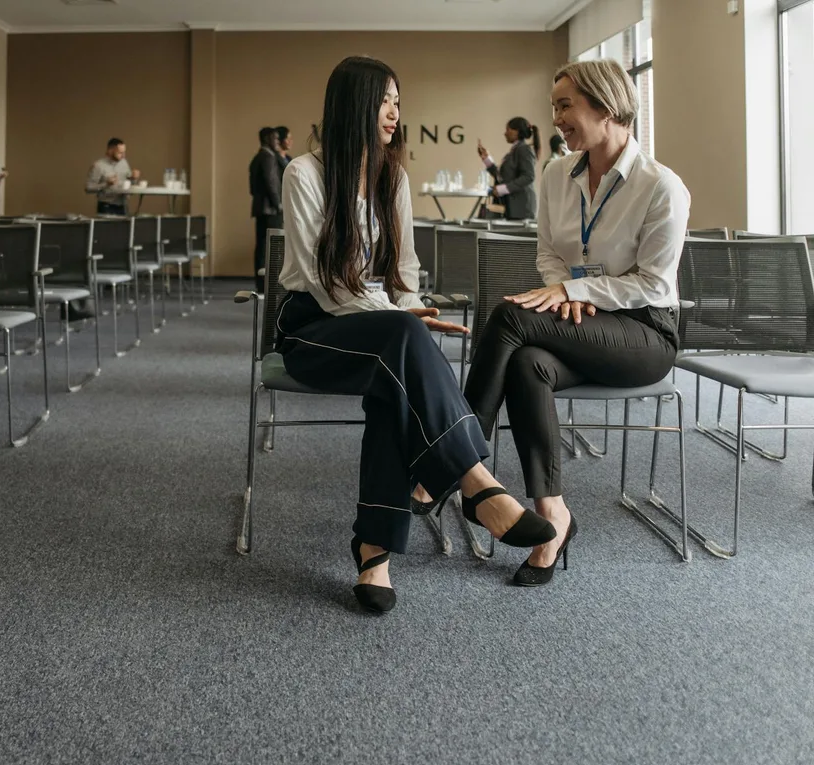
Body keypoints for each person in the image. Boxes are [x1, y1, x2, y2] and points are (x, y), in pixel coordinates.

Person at [276, 56, 558, 614]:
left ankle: (374, 550)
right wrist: (398, 317)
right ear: (351, 105)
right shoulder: (303, 174)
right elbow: (327, 283)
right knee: (400, 347)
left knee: (395, 378)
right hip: (313, 328)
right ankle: (476, 482)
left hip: (379, 329)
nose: (394, 113)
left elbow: (403, 273)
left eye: (398, 102)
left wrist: (407, 310)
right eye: (384, 101)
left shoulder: (393, 177)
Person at [463, 59, 690, 587]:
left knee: (508, 316)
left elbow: (654, 284)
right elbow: (549, 256)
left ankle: (459, 461)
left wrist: (576, 290)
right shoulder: (553, 175)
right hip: (576, 321)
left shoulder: (661, 188)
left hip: (645, 331)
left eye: (566, 105)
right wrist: (567, 292)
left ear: (606, 107)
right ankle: (555, 515)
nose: (557, 119)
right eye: (554, 108)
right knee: (528, 363)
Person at [477, 117, 540, 221]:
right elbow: (502, 177)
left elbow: (528, 176)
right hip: (512, 208)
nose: (505, 133)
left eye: (508, 130)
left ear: (517, 131)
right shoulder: (515, 150)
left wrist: (503, 189)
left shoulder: (524, 149)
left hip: (521, 209)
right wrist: (486, 159)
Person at [250, 127, 283, 293]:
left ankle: (261, 285)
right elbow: (272, 183)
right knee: (271, 248)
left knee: (261, 247)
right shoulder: (268, 157)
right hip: (270, 209)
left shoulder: (258, 156)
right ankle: (265, 287)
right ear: (266, 139)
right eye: (275, 138)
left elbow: (252, 187)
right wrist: (279, 204)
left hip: (260, 208)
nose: (277, 142)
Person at [85, 138, 140, 216]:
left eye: (124, 152)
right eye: (120, 153)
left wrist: (134, 178)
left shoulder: (124, 163)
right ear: (110, 151)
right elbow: (88, 188)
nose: (123, 155)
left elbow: (129, 184)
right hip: (107, 206)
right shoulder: (98, 166)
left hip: (123, 206)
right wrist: (106, 184)